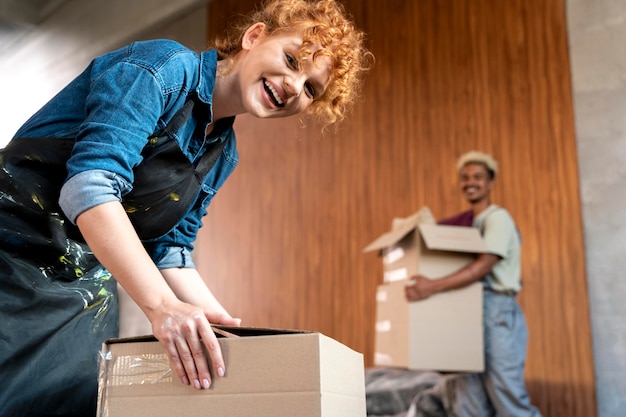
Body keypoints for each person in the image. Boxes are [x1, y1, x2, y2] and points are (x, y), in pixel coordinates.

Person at [0, 0, 372, 415]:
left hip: (80, 289)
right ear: (253, 37)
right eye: (290, 60)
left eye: (310, 89)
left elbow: (170, 250)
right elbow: (88, 187)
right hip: (10, 252)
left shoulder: (222, 154)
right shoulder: (162, 68)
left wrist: (228, 332)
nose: (292, 85)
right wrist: (163, 308)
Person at [405, 151, 542, 417]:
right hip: (468, 311)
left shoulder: (496, 218)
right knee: (468, 400)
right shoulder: (468, 224)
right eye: (465, 177)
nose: (471, 182)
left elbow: (483, 266)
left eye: (478, 177)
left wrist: (430, 286)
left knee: (507, 397)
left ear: (491, 183)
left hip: (495, 312)